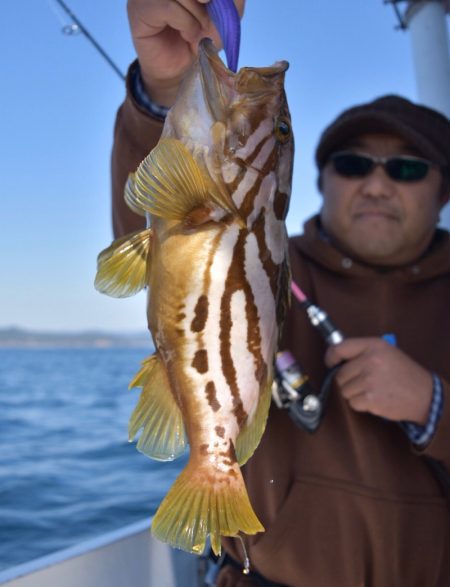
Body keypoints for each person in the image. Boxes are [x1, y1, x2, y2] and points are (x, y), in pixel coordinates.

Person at [110, 1, 450, 585]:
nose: (375, 183)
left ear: (443, 191)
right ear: (316, 181)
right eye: (352, 163)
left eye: (407, 170)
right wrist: (163, 90)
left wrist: (434, 406)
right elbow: (154, 241)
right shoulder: (275, 264)